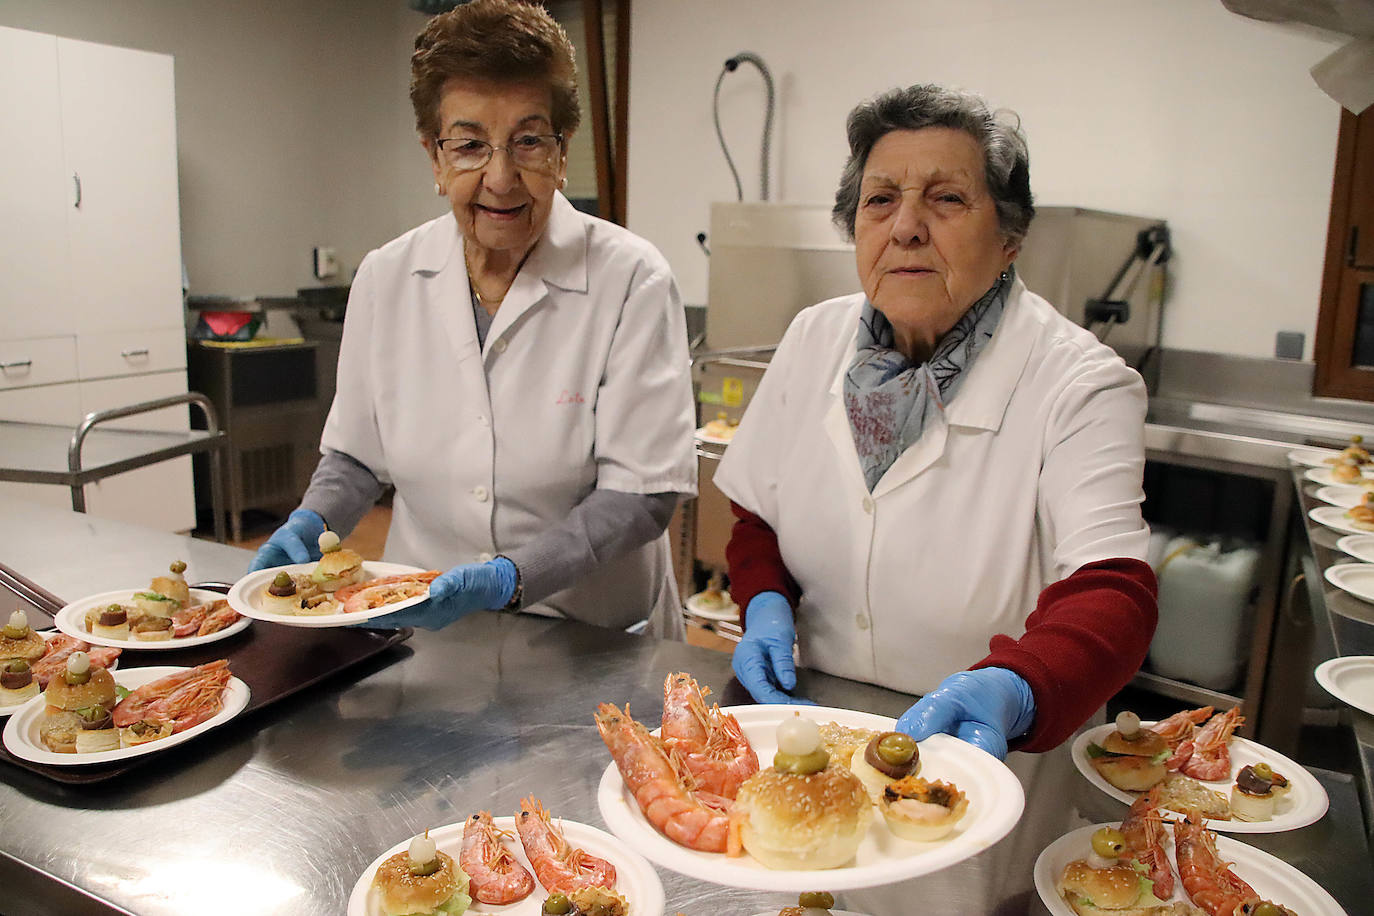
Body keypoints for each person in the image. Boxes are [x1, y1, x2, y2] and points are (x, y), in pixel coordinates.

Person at [715, 84, 1157, 759]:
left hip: (991, 752)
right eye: (881, 199)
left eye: (947, 199)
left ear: (1011, 237)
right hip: (816, 723)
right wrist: (764, 604)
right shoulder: (813, 337)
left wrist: (1021, 686)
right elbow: (758, 519)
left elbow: (1113, 591)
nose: (906, 227)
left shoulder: (1081, 382)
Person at [250, 0, 695, 638]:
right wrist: (311, 521)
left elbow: (641, 497)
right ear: (434, 156)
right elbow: (355, 456)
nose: (502, 177)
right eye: (469, 146)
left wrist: (512, 576)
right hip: (425, 625)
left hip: (587, 635)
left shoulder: (631, 279)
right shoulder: (386, 277)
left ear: (562, 150)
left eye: (529, 141)